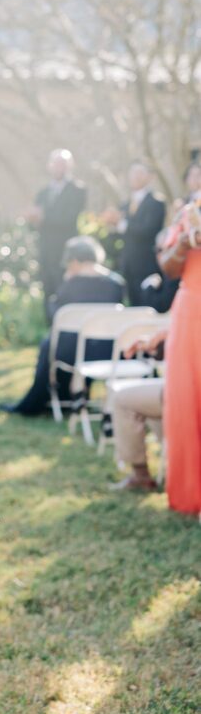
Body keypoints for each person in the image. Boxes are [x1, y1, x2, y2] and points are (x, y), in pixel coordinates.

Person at [0, 236, 124, 416]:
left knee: (49, 345)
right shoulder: (116, 283)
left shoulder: (71, 284)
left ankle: (42, 399)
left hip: (69, 352)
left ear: (74, 261)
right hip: (106, 350)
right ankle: (78, 395)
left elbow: (56, 317)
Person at [157, 199, 201, 516]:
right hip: (190, 313)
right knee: (185, 400)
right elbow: (169, 267)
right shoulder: (190, 212)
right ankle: (190, 494)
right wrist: (185, 241)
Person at [26, 149, 87, 321]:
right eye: (55, 163)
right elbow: (36, 225)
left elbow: (69, 218)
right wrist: (32, 219)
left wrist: (43, 217)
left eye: (63, 164)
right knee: (48, 289)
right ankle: (50, 328)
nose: (59, 168)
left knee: (65, 289)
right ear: (49, 166)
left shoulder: (77, 190)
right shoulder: (43, 193)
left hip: (66, 251)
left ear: (70, 166)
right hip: (46, 250)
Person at [107, 330, 167, 492]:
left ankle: (140, 475)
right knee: (150, 406)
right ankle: (177, 462)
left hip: (188, 393)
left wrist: (158, 340)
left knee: (122, 400)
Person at [102, 161, 166, 305]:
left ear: (150, 177)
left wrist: (121, 223)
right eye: (133, 173)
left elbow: (148, 231)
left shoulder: (156, 203)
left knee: (147, 303)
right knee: (132, 303)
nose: (135, 177)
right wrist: (111, 225)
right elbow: (121, 236)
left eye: (140, 173)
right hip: (127, 264)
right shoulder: (125, 204)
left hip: (147, 263)